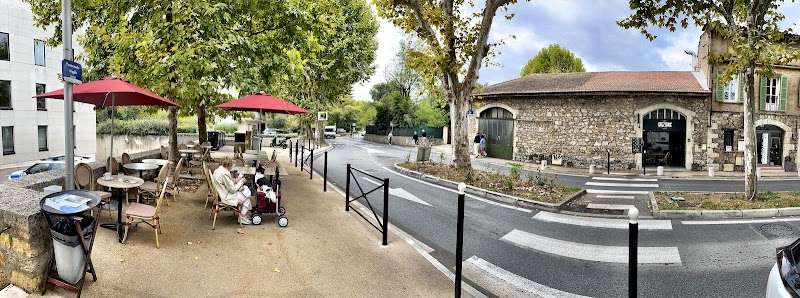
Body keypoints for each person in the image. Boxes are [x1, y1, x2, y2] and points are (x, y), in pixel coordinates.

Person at [213, 157, 253, 225]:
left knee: (245, 190)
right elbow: (232, 189)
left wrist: (238, 186)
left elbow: (229, 186)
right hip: (226, 197)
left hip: (222, 193)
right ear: (228, 165)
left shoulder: (217, 170)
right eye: (231, 165)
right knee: (247, 195)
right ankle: (243, 216)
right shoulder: (224, 173)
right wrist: (241, 182)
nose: (232, 167)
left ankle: (244, 214)